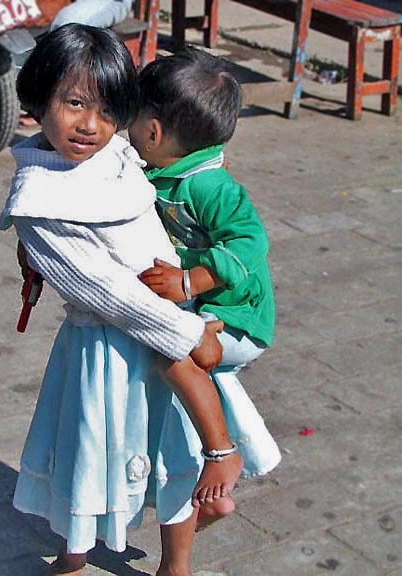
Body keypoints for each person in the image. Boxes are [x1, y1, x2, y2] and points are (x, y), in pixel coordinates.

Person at [0, 24, 243, 575]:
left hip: (172, 321)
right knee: (91, 453)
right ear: (38, 100)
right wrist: (187, 335)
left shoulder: (112, 151)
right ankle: (73, 556)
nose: (91, 124)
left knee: (173, 451)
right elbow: (107, 294)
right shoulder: (39, 201)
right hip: (110, 346)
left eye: (109, 110)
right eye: (75, 103)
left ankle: (175, 564)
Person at [130, 48, 281, 529]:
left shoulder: (210, 186)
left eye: (129, 122)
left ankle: (224, 454)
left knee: (175, 354)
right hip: (210, 311)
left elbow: (251, 243)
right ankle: (219, 473)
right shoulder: (163, 167)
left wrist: (189, 281)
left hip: (238, 317)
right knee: (184, 376)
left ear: (153, 132)